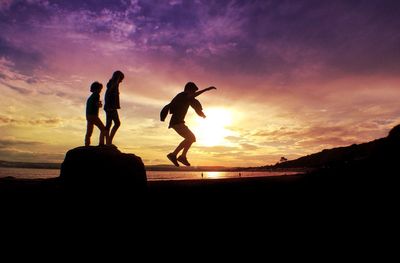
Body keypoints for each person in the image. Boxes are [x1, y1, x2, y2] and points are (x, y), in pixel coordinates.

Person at [163, 82, 216, 167]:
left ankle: (181, 156)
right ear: (188, 90)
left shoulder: (187, 98)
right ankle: (175, 155)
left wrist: (201, 114)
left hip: (178, 122)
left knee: (191, 138)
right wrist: (206, 89)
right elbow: (192, 97)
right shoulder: (183, 95)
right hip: (176, 122)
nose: (194, 93)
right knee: (191, 138)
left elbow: (194, 104)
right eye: (193, 91)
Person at [104, 70, 124, 145]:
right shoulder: (113, 85)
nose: (121, 81)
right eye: (121, 79)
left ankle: (108, 142)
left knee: (109, 124)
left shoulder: (112, 84)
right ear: (118, 78)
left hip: (109, 107)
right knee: (117, 123)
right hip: (111, 107)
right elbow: (108, 95)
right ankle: (108, 142)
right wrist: (111, 107)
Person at [85, 81, 108, 146]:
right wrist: (100, 104)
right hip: (93, 116)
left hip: (88, 116)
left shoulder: (90, 97)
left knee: (89, 132)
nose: (100, 90)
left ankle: (87, 145)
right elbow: (97, 105)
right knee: (103, 129)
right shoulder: (96, 95)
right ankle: (101, 144)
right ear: (96, 89)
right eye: (100, 89)